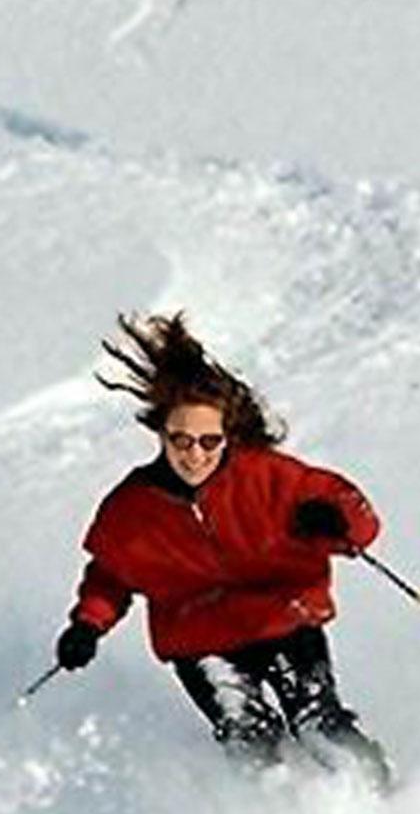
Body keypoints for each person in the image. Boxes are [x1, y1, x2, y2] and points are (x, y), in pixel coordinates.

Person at [49, 313, 394, 789]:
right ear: (162, 436)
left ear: (227, 436)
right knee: (246, 733)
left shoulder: (269, 477)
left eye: (209, 441)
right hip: (200, 638)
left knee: (315, 721)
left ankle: (375, 792)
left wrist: (335, 521)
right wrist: (87, 625)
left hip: (283, 616)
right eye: (181, 441)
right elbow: (112, 574)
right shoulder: (133, 508)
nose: (195, 455)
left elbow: (352, 511)